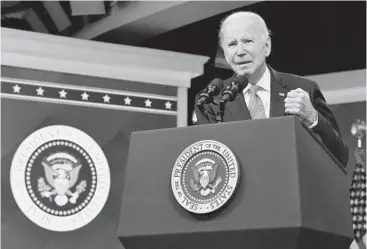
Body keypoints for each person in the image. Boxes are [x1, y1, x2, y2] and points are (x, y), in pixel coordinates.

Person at [195, 11, 349, 167]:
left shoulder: (303, 89)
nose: (240, 51)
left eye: (247, 41)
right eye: (232, 44)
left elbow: (340, 156)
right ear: (225, 53)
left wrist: (312, 117)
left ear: (267, 46)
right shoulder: (212, 100)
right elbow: (206, 161)